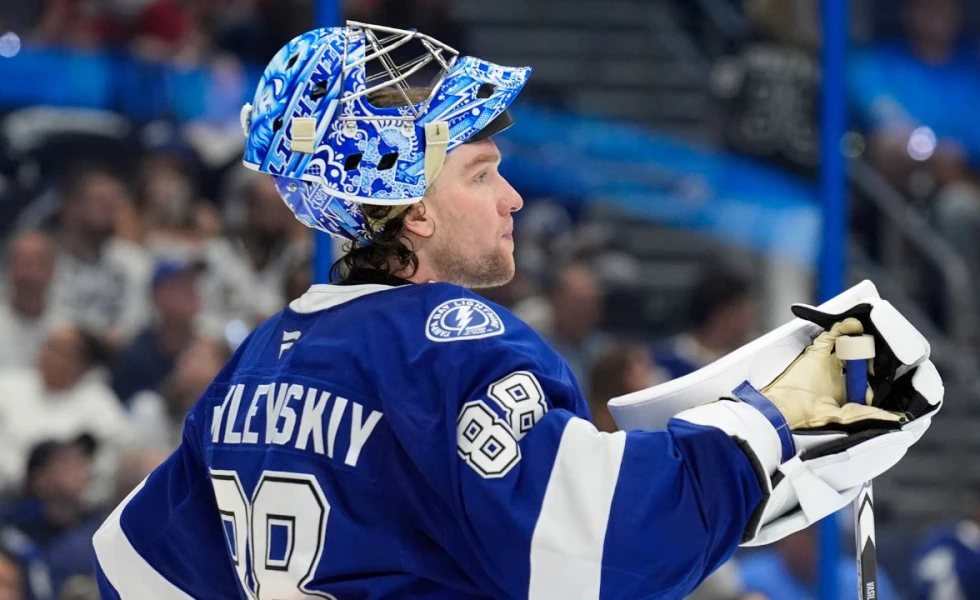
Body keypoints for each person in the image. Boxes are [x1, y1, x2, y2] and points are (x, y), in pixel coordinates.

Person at [92, 23, 937, 599]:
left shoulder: (257, 363)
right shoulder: (453, 348)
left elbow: (130, 564)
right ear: (415, 209)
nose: (513, 197)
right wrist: (780, 418)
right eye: (482, 172)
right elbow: (599, 549)